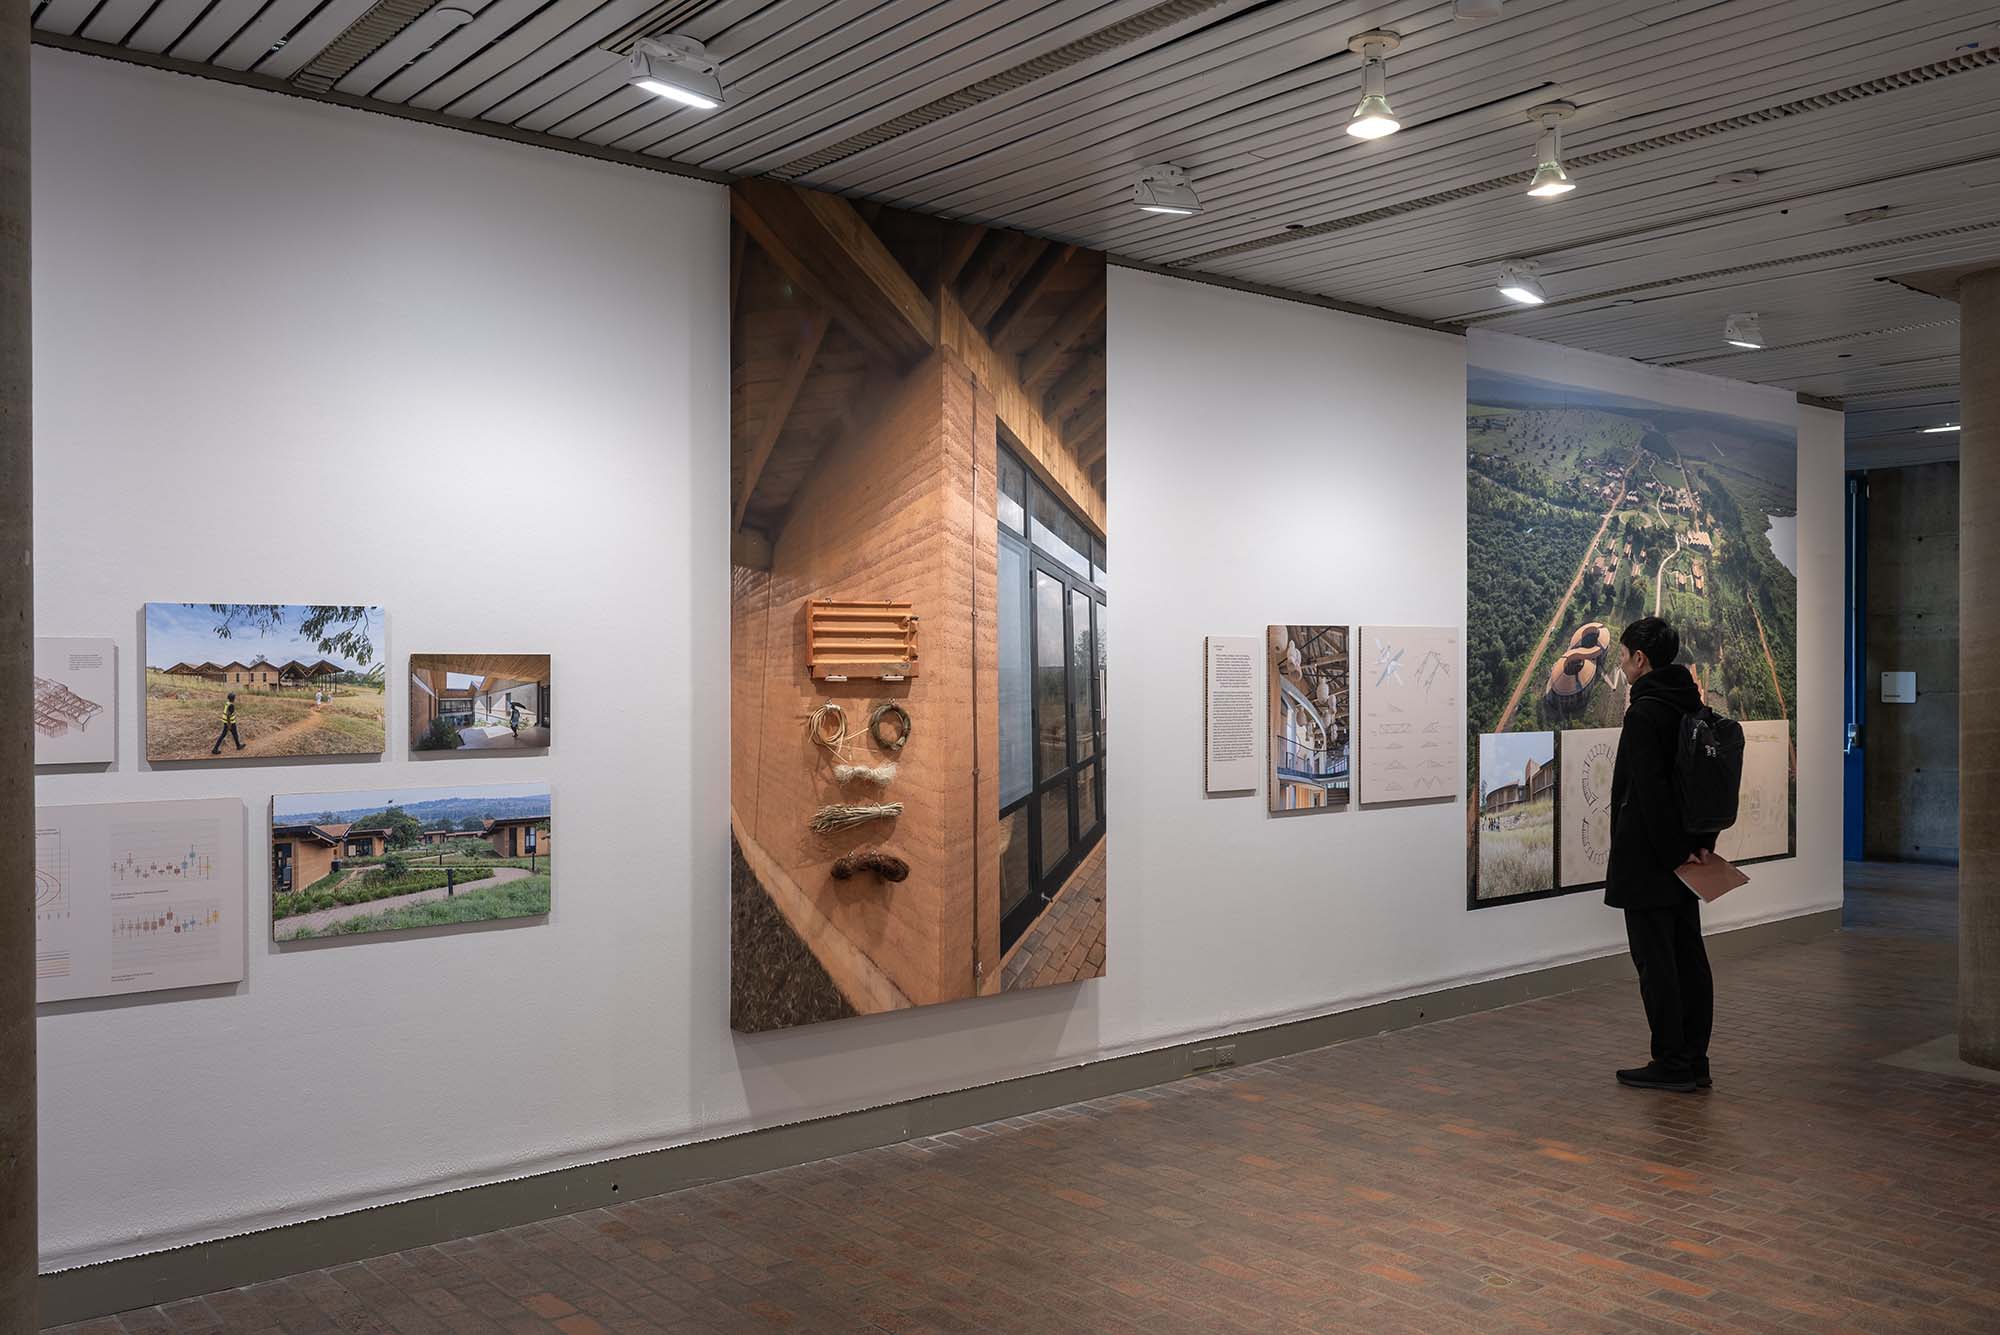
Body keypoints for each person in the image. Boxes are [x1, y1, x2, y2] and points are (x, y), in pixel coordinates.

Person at [1605, 616, 1715, 1093]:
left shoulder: (1645, 713)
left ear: (1640, 659)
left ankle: (1670, 1061)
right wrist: (1694, 850)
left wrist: (1670, 854)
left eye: (1625, 655)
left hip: (1651, 860)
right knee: (1688, 956)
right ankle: (1694, 1059)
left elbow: (1646, 791)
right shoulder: (1690, 706)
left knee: (1656, 964)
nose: (1622, 664)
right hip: (1688, 857)